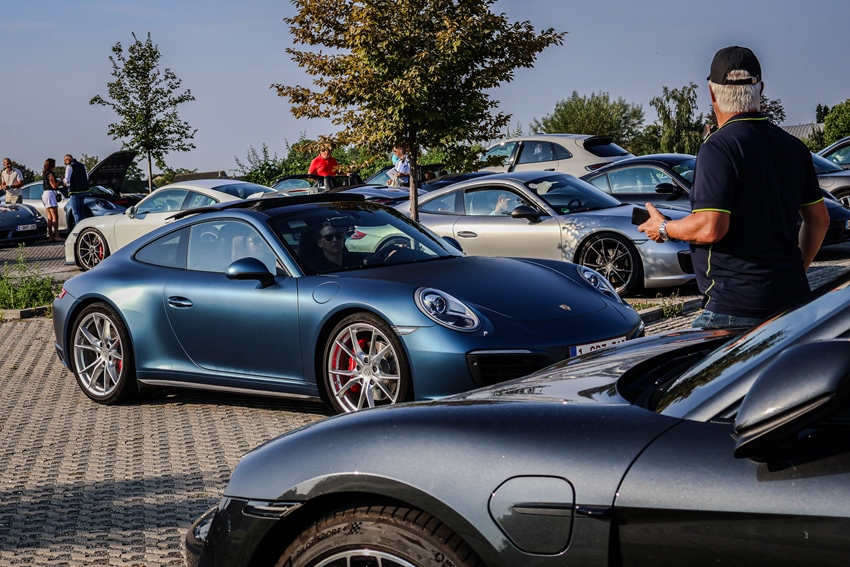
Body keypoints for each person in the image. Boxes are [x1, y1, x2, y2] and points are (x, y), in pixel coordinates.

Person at [639, 45, 829, 328]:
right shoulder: (793, 146)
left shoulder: (719, 147)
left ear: (712, 93)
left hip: (735, 308)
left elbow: (710, 227)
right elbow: (820, 220)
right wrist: (796, 270)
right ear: (760, 88)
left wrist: (664, 227)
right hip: (793, 301)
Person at [63, 154, 88, 229]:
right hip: (83, 190)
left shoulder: (70, 166)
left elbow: (67, 180)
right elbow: (87, 177)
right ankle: (84, 227)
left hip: (74, 191)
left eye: (65, 161)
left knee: (76, 212)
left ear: (67, 160)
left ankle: (79, 228)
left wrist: (64, 182)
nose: (65, 163)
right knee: (81, 211)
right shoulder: (82, 166)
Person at [42, 158, 63, 242]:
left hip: (45, 194)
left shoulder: (45, 174)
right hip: (50, 194)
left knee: (49, 217)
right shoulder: (50, 174)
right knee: (55, 216)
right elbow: (54, 186)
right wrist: (61, 180)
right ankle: (57, 235)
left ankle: (50, 236)